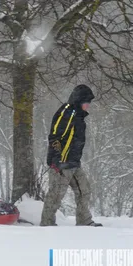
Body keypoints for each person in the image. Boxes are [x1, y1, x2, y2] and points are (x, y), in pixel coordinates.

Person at [40, 84, 102, 227]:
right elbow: (55, 136)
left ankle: (84, 221)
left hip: (74, 162)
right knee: (56, 194)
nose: (88, 106)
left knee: (84, 190)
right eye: (86, 103)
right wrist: (57, 160)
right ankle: (47, 224)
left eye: (89, 103)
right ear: (79, 101)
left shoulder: (79, 116)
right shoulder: (67, 112)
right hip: (61, 162)